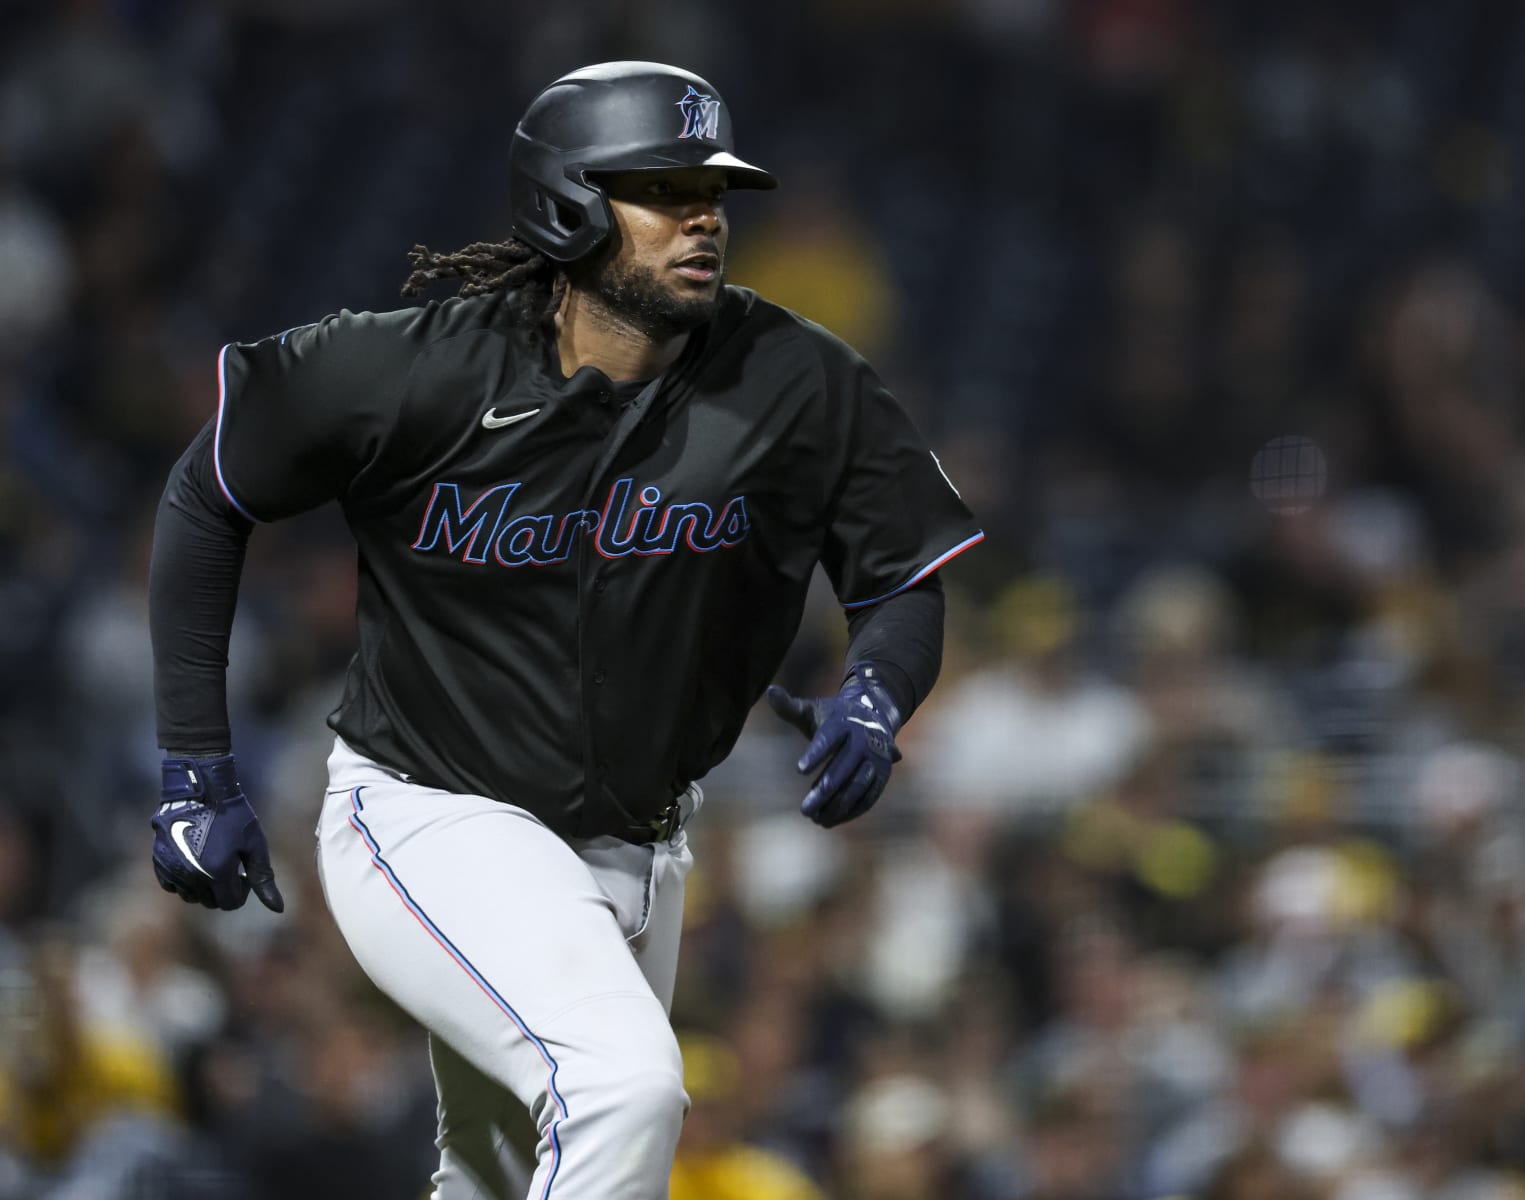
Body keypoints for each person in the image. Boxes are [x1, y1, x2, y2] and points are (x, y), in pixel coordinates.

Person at [147, 61, 981, 1199]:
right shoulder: (413, 367)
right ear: (566, 203)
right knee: (622, 1088)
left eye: (715, 191)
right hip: (433, 810)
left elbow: (905, 576)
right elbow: (210, 494)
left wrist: (879, 692)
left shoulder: (795, 380)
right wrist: (195, 762)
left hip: (641, 839)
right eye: (663, 188)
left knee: (499, 1172)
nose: (704, 217)